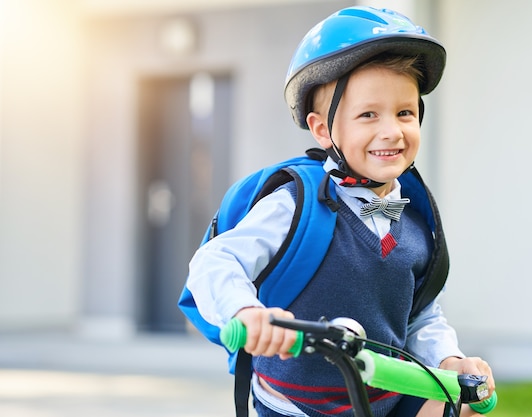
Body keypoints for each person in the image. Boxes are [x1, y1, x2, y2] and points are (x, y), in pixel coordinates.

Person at [185, 6, 495, 417]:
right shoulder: (296, 206)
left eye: (404, 112)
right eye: (369, 114)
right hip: (296, 406)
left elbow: (420, 315)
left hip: (386, 398)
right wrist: (247, 312)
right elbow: (216, 261)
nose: (391, 130)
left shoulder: (416, 222)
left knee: (464, 404)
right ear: (323, 129)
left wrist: (450, 360)